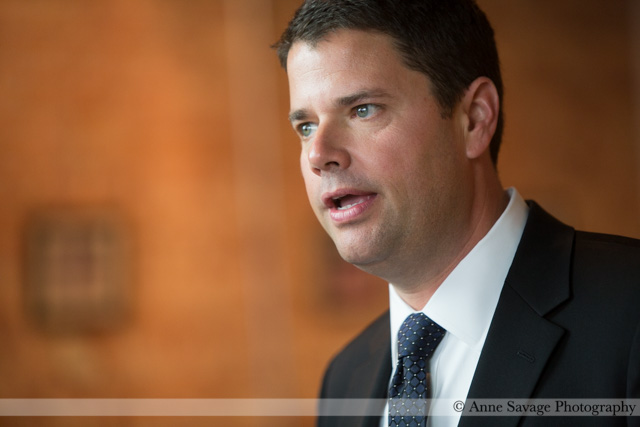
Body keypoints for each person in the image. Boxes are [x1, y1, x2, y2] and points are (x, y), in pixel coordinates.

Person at [273, 1, 640, 426]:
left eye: (362, 110)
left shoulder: (629, 313)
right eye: (306, 127)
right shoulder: (343, 380)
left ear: (475, 119)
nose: (318, 155)